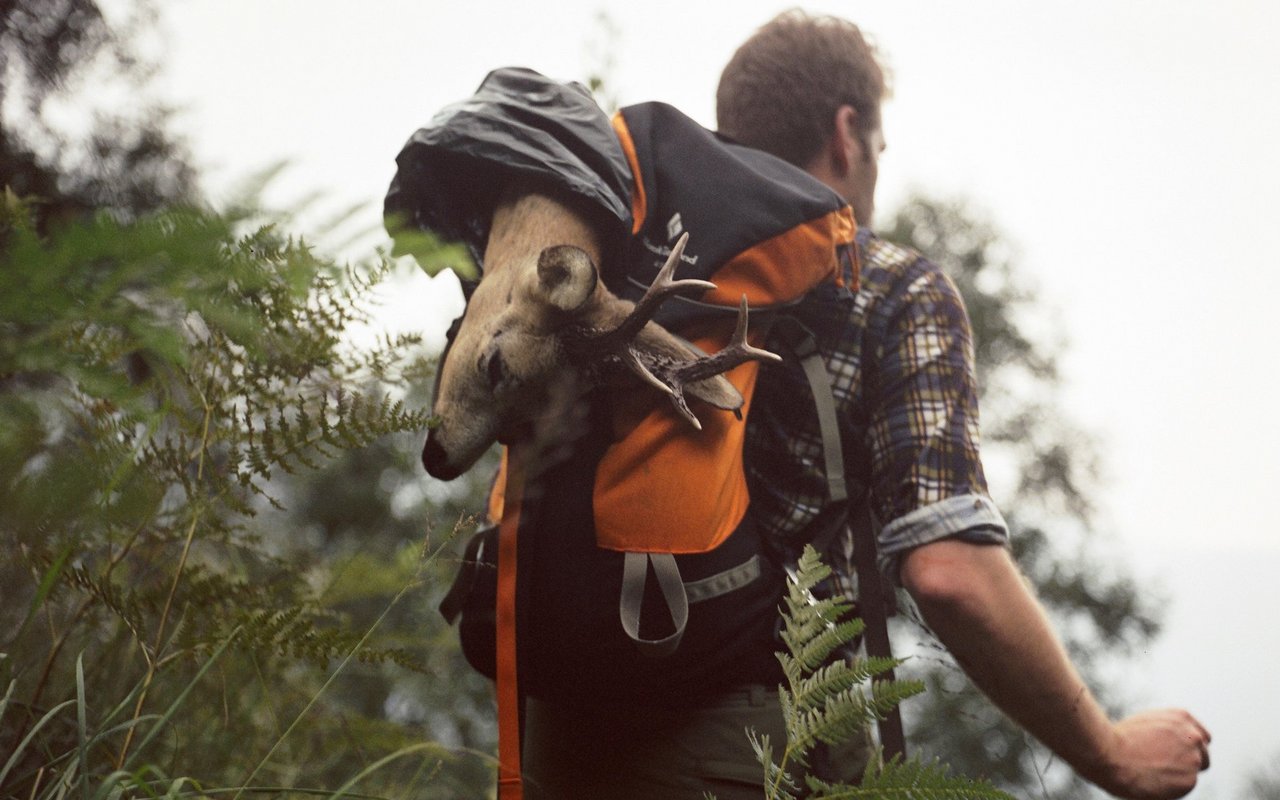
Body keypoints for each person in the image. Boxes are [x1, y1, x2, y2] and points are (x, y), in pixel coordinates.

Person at [715, 10, 1210, 799]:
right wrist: (1110, 752)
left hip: (563, 738)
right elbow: (947, 573)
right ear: (848, 132)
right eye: (878, 143)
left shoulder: (647, 278)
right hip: (771, 753)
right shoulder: (888, 290)